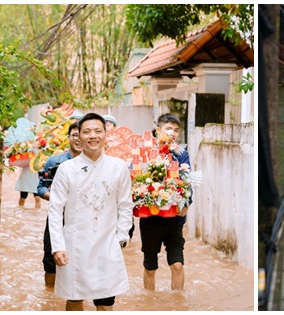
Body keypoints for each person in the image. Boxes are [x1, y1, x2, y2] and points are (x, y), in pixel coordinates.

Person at [48, 113, 133, 311]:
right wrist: (57, 246)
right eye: (86, 132)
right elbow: (55, 210)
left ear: (105, 134)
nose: (92, 136)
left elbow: (125, 205)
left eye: (97, 131)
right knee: (75, 299)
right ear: (78, 136)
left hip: (107, 245)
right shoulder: (67, 169)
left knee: (105, 303)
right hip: (73, 247)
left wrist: (121, 237)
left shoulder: (118, 167)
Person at [140, 113, 192, 291]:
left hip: (174, 220)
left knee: (177, 264)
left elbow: (187, 182)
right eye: (168, 129)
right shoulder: (145, 152)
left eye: (176, 130)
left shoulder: (183, 155)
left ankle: (177, 305)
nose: (173, 133)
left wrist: (186, 203)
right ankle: (150, 303)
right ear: (158, 130)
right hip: (150, 218)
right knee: (150, 267)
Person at [37, 122, 83, 288]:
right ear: (69, 137)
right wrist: (55, 197)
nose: (78, 139)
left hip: (83, 218)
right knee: (50, 259)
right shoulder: (54, 161)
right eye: (74, 135)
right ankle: (50, 297)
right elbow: (41, 187)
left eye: (81, 135)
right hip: (58, 215)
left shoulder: (94, 163)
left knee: (81, 258)